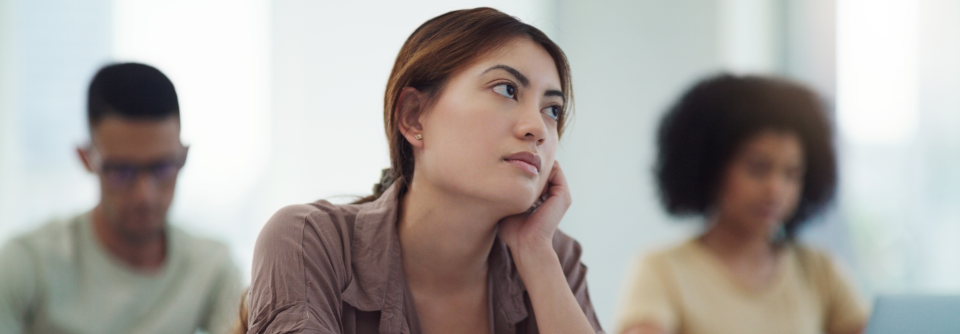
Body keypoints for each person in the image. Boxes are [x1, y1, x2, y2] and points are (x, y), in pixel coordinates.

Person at [245, 7, 603, 334]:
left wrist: (536, 255)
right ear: (413, 116)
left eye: (553, 110)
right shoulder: (310, 241)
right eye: (507, 89)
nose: (538, 129)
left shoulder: (554, 258)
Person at [0, 63, 243, 334]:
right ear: (86, 158)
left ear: (183, 157)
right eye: (121, 171)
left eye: (162, 168)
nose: (145, 195)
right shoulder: (27, 263)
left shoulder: (212, 269)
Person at [616, 74, 869, 334]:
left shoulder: (820, 271)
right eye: (758, 169)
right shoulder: (662, 271)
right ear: (710, 167)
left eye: (791, 174)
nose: (775, 189)